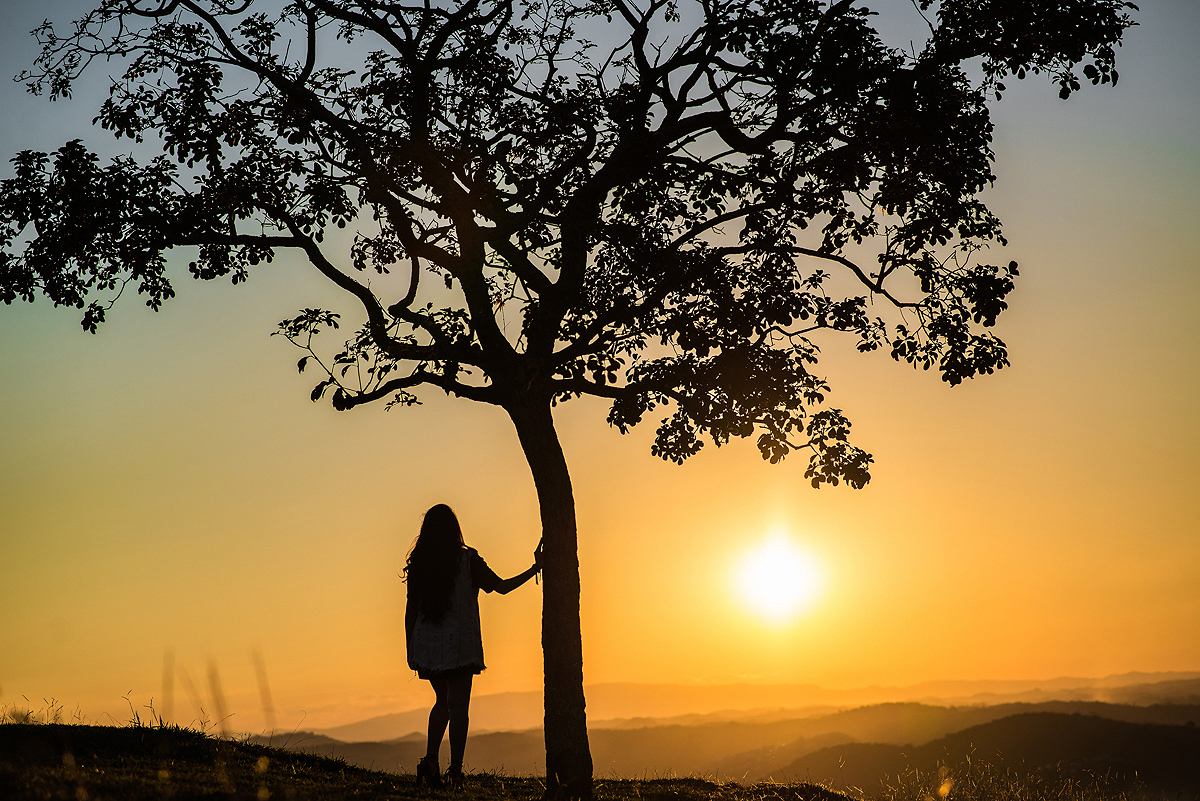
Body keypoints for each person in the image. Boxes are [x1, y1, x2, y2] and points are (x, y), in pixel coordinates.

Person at [403, 503, 541, 789]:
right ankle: (455, 770)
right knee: (459, 706)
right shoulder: (467, 561)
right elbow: (500, 586)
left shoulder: (420, 565)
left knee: (442, 703)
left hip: (429, 645)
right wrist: (535, 569)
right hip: (459, 644)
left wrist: (410, 648)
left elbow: (411, 610)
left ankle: (430, 762)